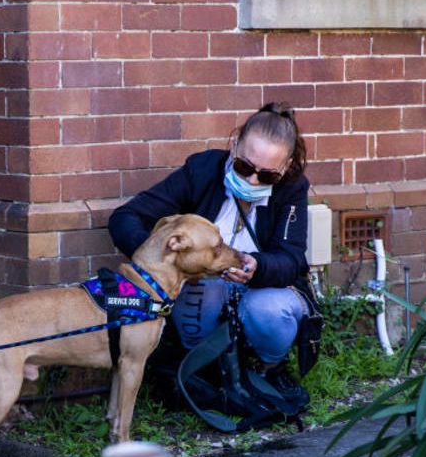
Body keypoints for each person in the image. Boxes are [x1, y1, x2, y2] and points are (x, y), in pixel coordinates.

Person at [108, 102, 316, 378]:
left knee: (266, 309)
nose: (253, 181)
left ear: (285, 167)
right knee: (200, 290)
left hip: (263, 289)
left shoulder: (292, 188)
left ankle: (270, 368)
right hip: (207, 285)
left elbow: (292, 259)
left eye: (267, 175)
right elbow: (126, 217)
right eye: (244, 167)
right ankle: (203, 368)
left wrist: (258, 267)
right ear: (234, 143)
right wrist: (160, 257)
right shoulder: (203, 170)